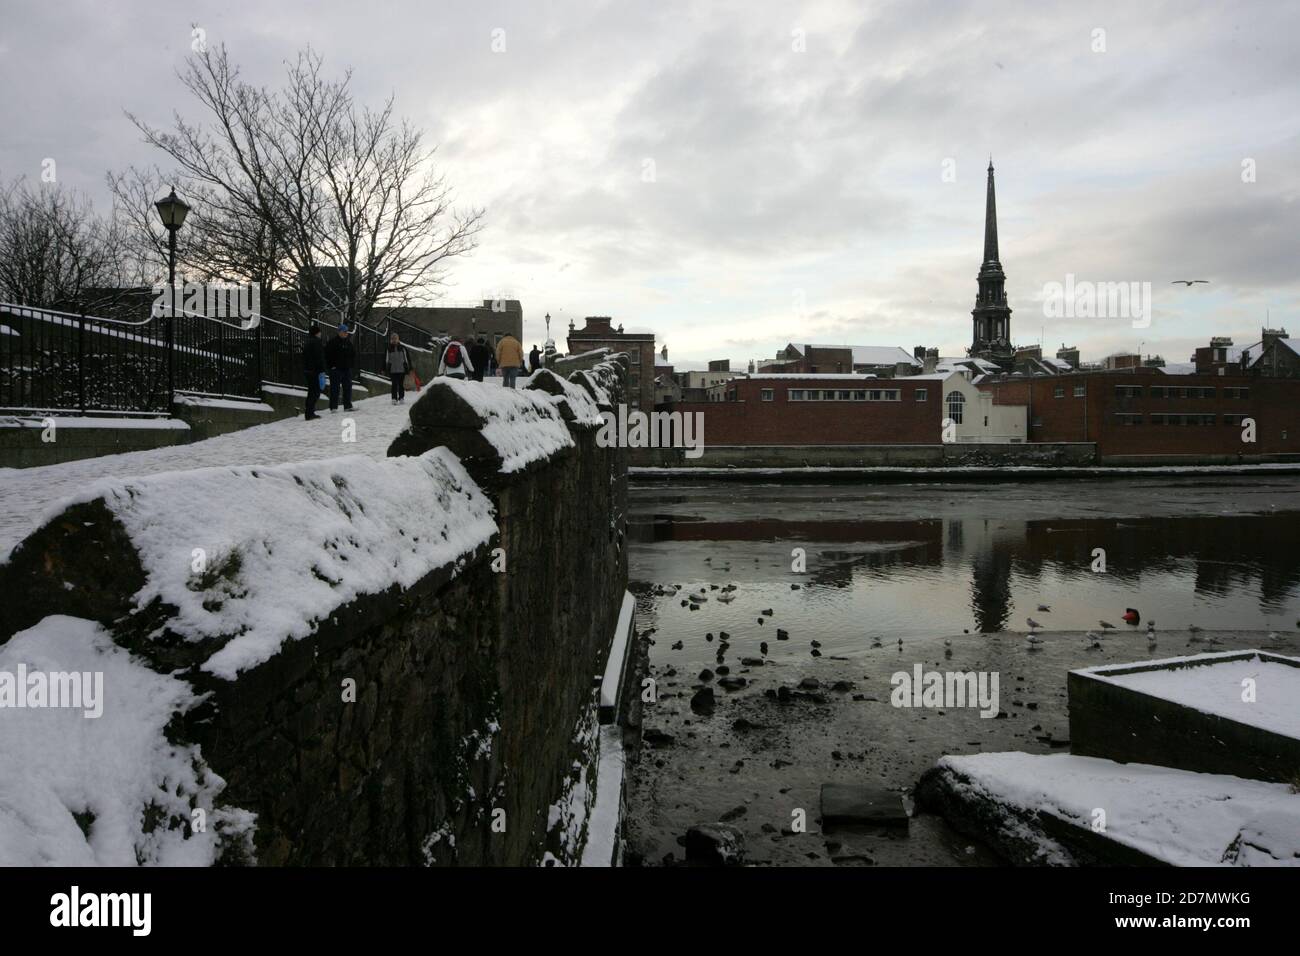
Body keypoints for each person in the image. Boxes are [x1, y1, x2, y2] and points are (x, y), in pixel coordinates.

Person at [325, 322, 356, 412]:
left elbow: (353, 354)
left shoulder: (348, 342)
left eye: (346, 332)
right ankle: (333, 407)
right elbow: (327, 355)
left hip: (346, 369)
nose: (346, 333)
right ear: (339, 332)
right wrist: (331, 366)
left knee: (347, 388)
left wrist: (351, 365)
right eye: (344, 331)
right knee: (335, 388)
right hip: (336, 369)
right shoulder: (332, 342)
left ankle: (347, 405)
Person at [303, 324, 326, 419]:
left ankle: (309, 411)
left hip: (308, 370)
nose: (320, 334)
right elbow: (319, 357)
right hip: (315, 371)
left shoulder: (308, 342)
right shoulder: (316, 342)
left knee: (311, 391)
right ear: (317, 333)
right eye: (319, 332)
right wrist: (322, 369)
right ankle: (310, 412)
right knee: (315, 392)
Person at [386, 332, 411, 404]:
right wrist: (384, 368)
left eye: (395, 338)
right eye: (393, 339)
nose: (394, 340)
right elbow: (386, 359)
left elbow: (407, 358)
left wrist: (409, 367)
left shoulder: (403, 348)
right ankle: (394, 398)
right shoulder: (388, 348)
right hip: (392, 370)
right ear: (391, 340)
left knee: (401, 385)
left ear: (398, 339)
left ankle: (401, 398)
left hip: (401, 369)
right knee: (394, 385)